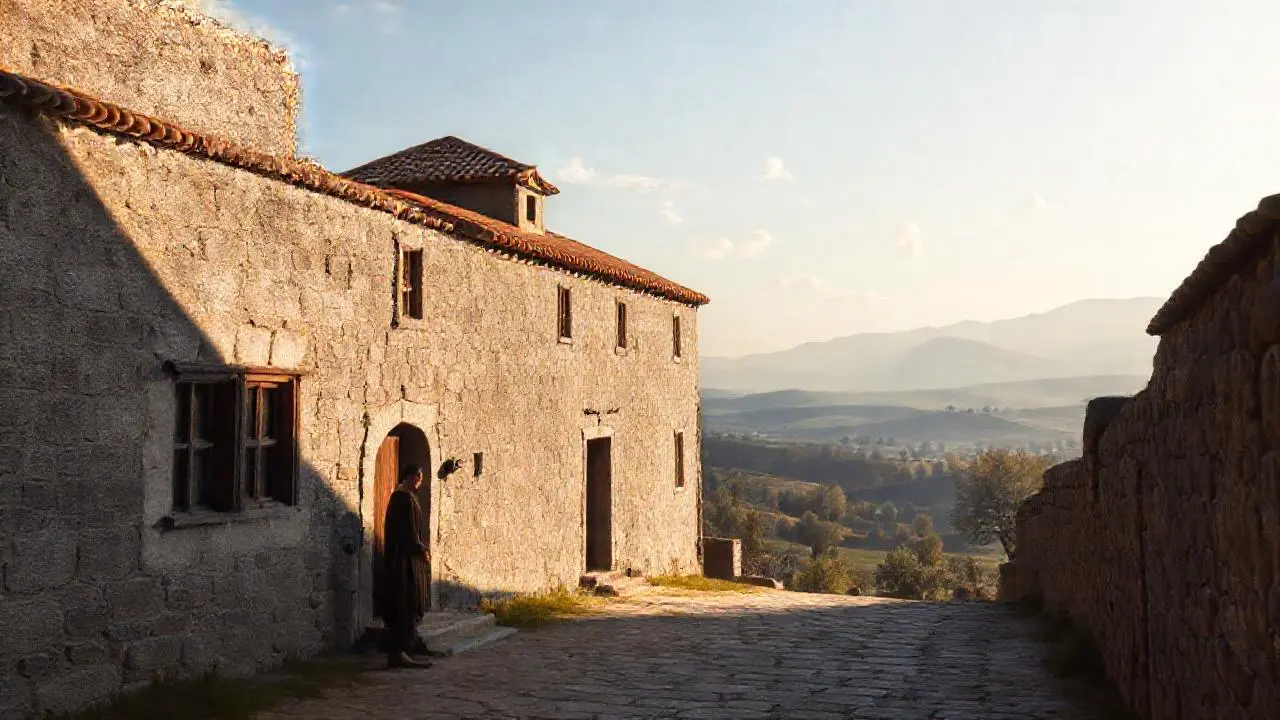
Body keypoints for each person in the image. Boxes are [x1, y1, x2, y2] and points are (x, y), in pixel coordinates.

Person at [382, 464, 432, 669]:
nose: (420, 481)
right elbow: (408, 533)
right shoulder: (402, 499)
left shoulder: (408, 497)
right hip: (403, 562)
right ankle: (399, 652)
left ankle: (409, 647)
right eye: (418, 477)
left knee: (411, 603)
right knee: (404, 603)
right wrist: (421, 550)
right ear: (411, 476)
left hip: (409, 561)